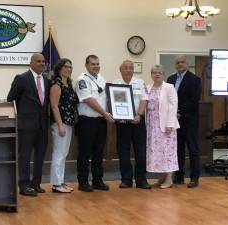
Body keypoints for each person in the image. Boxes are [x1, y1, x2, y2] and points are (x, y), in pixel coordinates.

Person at [7, 53, 49, 196]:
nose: (42, 64)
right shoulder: (21, 79)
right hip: (26, 126)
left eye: (43, 61)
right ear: (30, 63)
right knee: (24, 156)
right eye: (38, 61)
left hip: (42, 126)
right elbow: (10, 98)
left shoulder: (47, 80)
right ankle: (24, 185)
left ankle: (36, 183)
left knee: (40, 155)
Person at [75, 55, 114, 192]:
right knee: (85, 153)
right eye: (93, 64)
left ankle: (98, 180)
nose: (96, 66)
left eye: (97, 64)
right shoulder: (82, 80)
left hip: (101, 121)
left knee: (99, 152)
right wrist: (105, 113)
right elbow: (88, 100)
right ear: (86, 65)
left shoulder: (101, 79)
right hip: (87, 121)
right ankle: (83, 181)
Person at [113, 60, 151, 189]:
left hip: (138, 122)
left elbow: (144, 100)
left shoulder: (140, 83)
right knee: (123, 152)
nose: (128, 70)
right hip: (122, 123)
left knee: (141, 152)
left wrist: (139, 115)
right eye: (125, 68)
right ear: (121, 69)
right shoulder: (115, 84)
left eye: (130, 68)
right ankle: (126, 179)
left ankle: (141, 180)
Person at [167, 55, 201, 188]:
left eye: (182, 62)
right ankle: (179, 176)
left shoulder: (194, 79)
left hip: (189, 120)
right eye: (177, 62)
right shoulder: (171, 79)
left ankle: (194, 178)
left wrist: (179, 112)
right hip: (175, 121)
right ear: (175, 65)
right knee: (178, 149)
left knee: (193, 150)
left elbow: (194, 100)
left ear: (187, 63)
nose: (180, 64)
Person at [146, 65, 179, 189]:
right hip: (152, 126)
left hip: (165, 125)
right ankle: (162, 177)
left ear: (163, 74)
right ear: (151, 74)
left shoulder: (169, 87)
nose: (157, 74)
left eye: (159, 72)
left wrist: (170, 124)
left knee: (167, 152)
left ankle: (169, 178)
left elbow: (173, 106)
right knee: (157, 152)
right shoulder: (148, 88)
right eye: (154, 72)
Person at [50, 58, 79, 193]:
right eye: (66, 66)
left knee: (64, 153)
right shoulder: (56, 84)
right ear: (60, 68)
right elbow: (54, 106)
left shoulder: (68, 83)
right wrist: (60, 125)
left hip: (69, 122)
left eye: (70, 67)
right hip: (60, 123)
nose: (69, 69)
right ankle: (56, 184)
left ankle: (61, 181)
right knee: (59, 153)